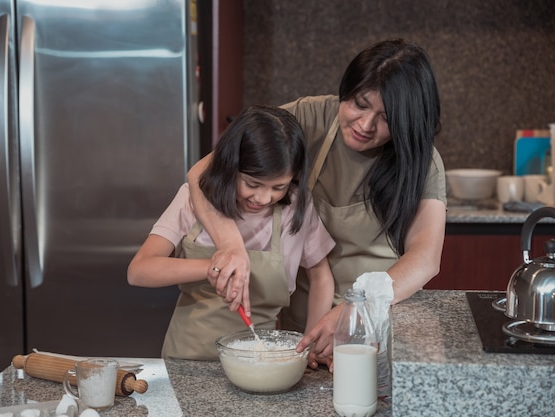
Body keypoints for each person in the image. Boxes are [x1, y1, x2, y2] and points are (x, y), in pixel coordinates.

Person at [186, 38, 447, 368]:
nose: (365, 125)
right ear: (346, 90)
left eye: (386, 117)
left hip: (376, 325)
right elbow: (201, 173)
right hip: (305, 326)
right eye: (359, 104)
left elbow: (425, 259)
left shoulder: (424, 161)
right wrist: (230, 246)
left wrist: (354, 308)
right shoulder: (307, 118)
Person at [127, 105, 336, 360]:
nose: (263, 197)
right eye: (251, 183)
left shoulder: (295, 207)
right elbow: (139, 271)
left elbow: (321, 276)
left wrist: (310, 344)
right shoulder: (194, 199)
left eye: (278, 187)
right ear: (230, 166)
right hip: (188, 359)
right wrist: (213, 268)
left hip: (260, 362)